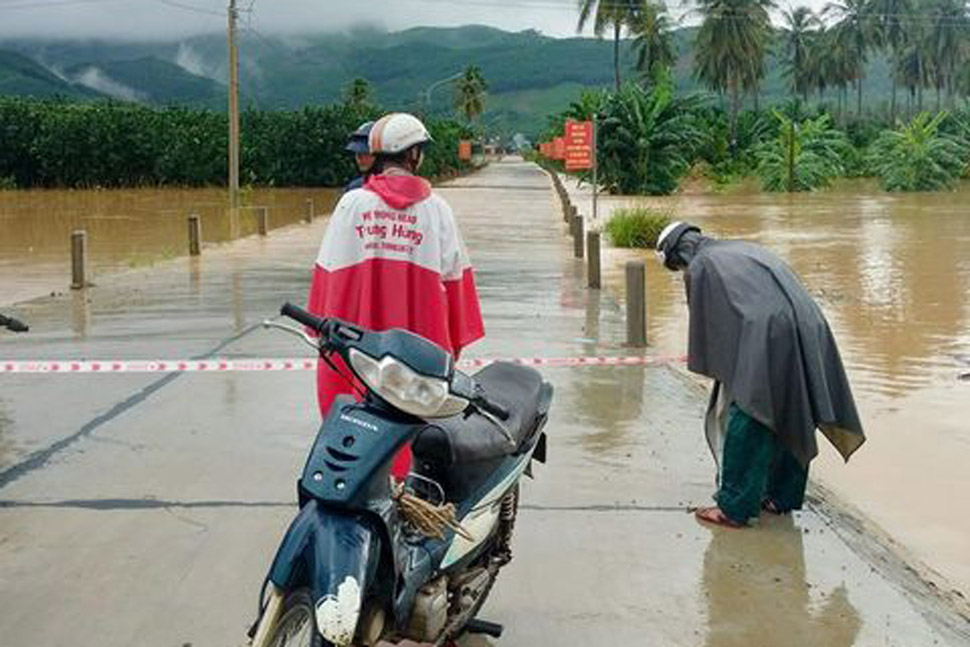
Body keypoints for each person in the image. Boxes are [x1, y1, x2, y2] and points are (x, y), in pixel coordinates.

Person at [307, 112, 485, 478]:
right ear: (413, 155)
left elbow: (325, 281)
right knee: (416, 448)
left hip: (358, 354)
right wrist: (450, 346)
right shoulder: (437, 211)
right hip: (416, 360)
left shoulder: (352, 204)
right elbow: (457, 287)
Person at [655, 222, 865, 528]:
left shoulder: (700, 266)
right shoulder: (741, 246)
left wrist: (725, 368)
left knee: (750, 411)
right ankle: (781, 496)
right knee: (795, 407)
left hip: (767, 334)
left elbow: (708, 328)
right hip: (809, 325)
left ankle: (734, 508)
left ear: (676, 255)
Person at [344, 120, 375, 192]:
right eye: (357, 153)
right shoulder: (355, 187)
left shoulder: (356, 188)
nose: (359, 158)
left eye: (366, 153)